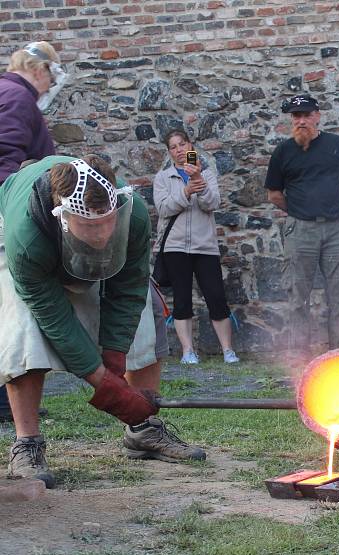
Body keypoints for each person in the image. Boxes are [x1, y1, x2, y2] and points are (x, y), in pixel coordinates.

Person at [1, 155, 206, 489]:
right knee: (24, 329)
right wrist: (103, 381)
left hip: (78, 234)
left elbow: (128, 289)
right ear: (64, 217)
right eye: (89, 226)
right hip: (12, 235)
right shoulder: (27, 237)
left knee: (147, 313)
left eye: (106, 223)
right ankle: (27, 443)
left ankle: (143, 428)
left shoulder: (133, 213)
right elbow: (53, 314)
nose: (99, 235)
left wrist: (114, 358)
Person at [265, 93, 339, 355]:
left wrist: (335, 209)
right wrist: (298, 213)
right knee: (298, 297)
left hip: (336, 228)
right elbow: (274, 194)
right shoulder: (283, 152)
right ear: (291, 120)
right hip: (300, 230)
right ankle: (300, 360)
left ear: (317, 116)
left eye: (307, 115)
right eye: (297, 116)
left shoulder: (336, 145)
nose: (302, 121)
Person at [0, 41, 63, 422]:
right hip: (6, 217)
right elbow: (4, 163)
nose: (51, 83)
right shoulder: (16, 98)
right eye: (50, 74)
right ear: (39, 70)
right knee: (12, 311)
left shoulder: (10, 94)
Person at [152, 130, 239, 365]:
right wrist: (186, 191)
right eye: (174, 146)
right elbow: (163, 209)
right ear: (169, 152)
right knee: (182, 301)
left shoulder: (206, 173)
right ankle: (188, 351)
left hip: (204, 246)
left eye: (183, 144)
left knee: (216, 297)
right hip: (175, 247)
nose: (179, 149)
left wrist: (198, 182)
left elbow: (212, 204)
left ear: (190, 145)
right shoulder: (163, 178)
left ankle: (228, 351)